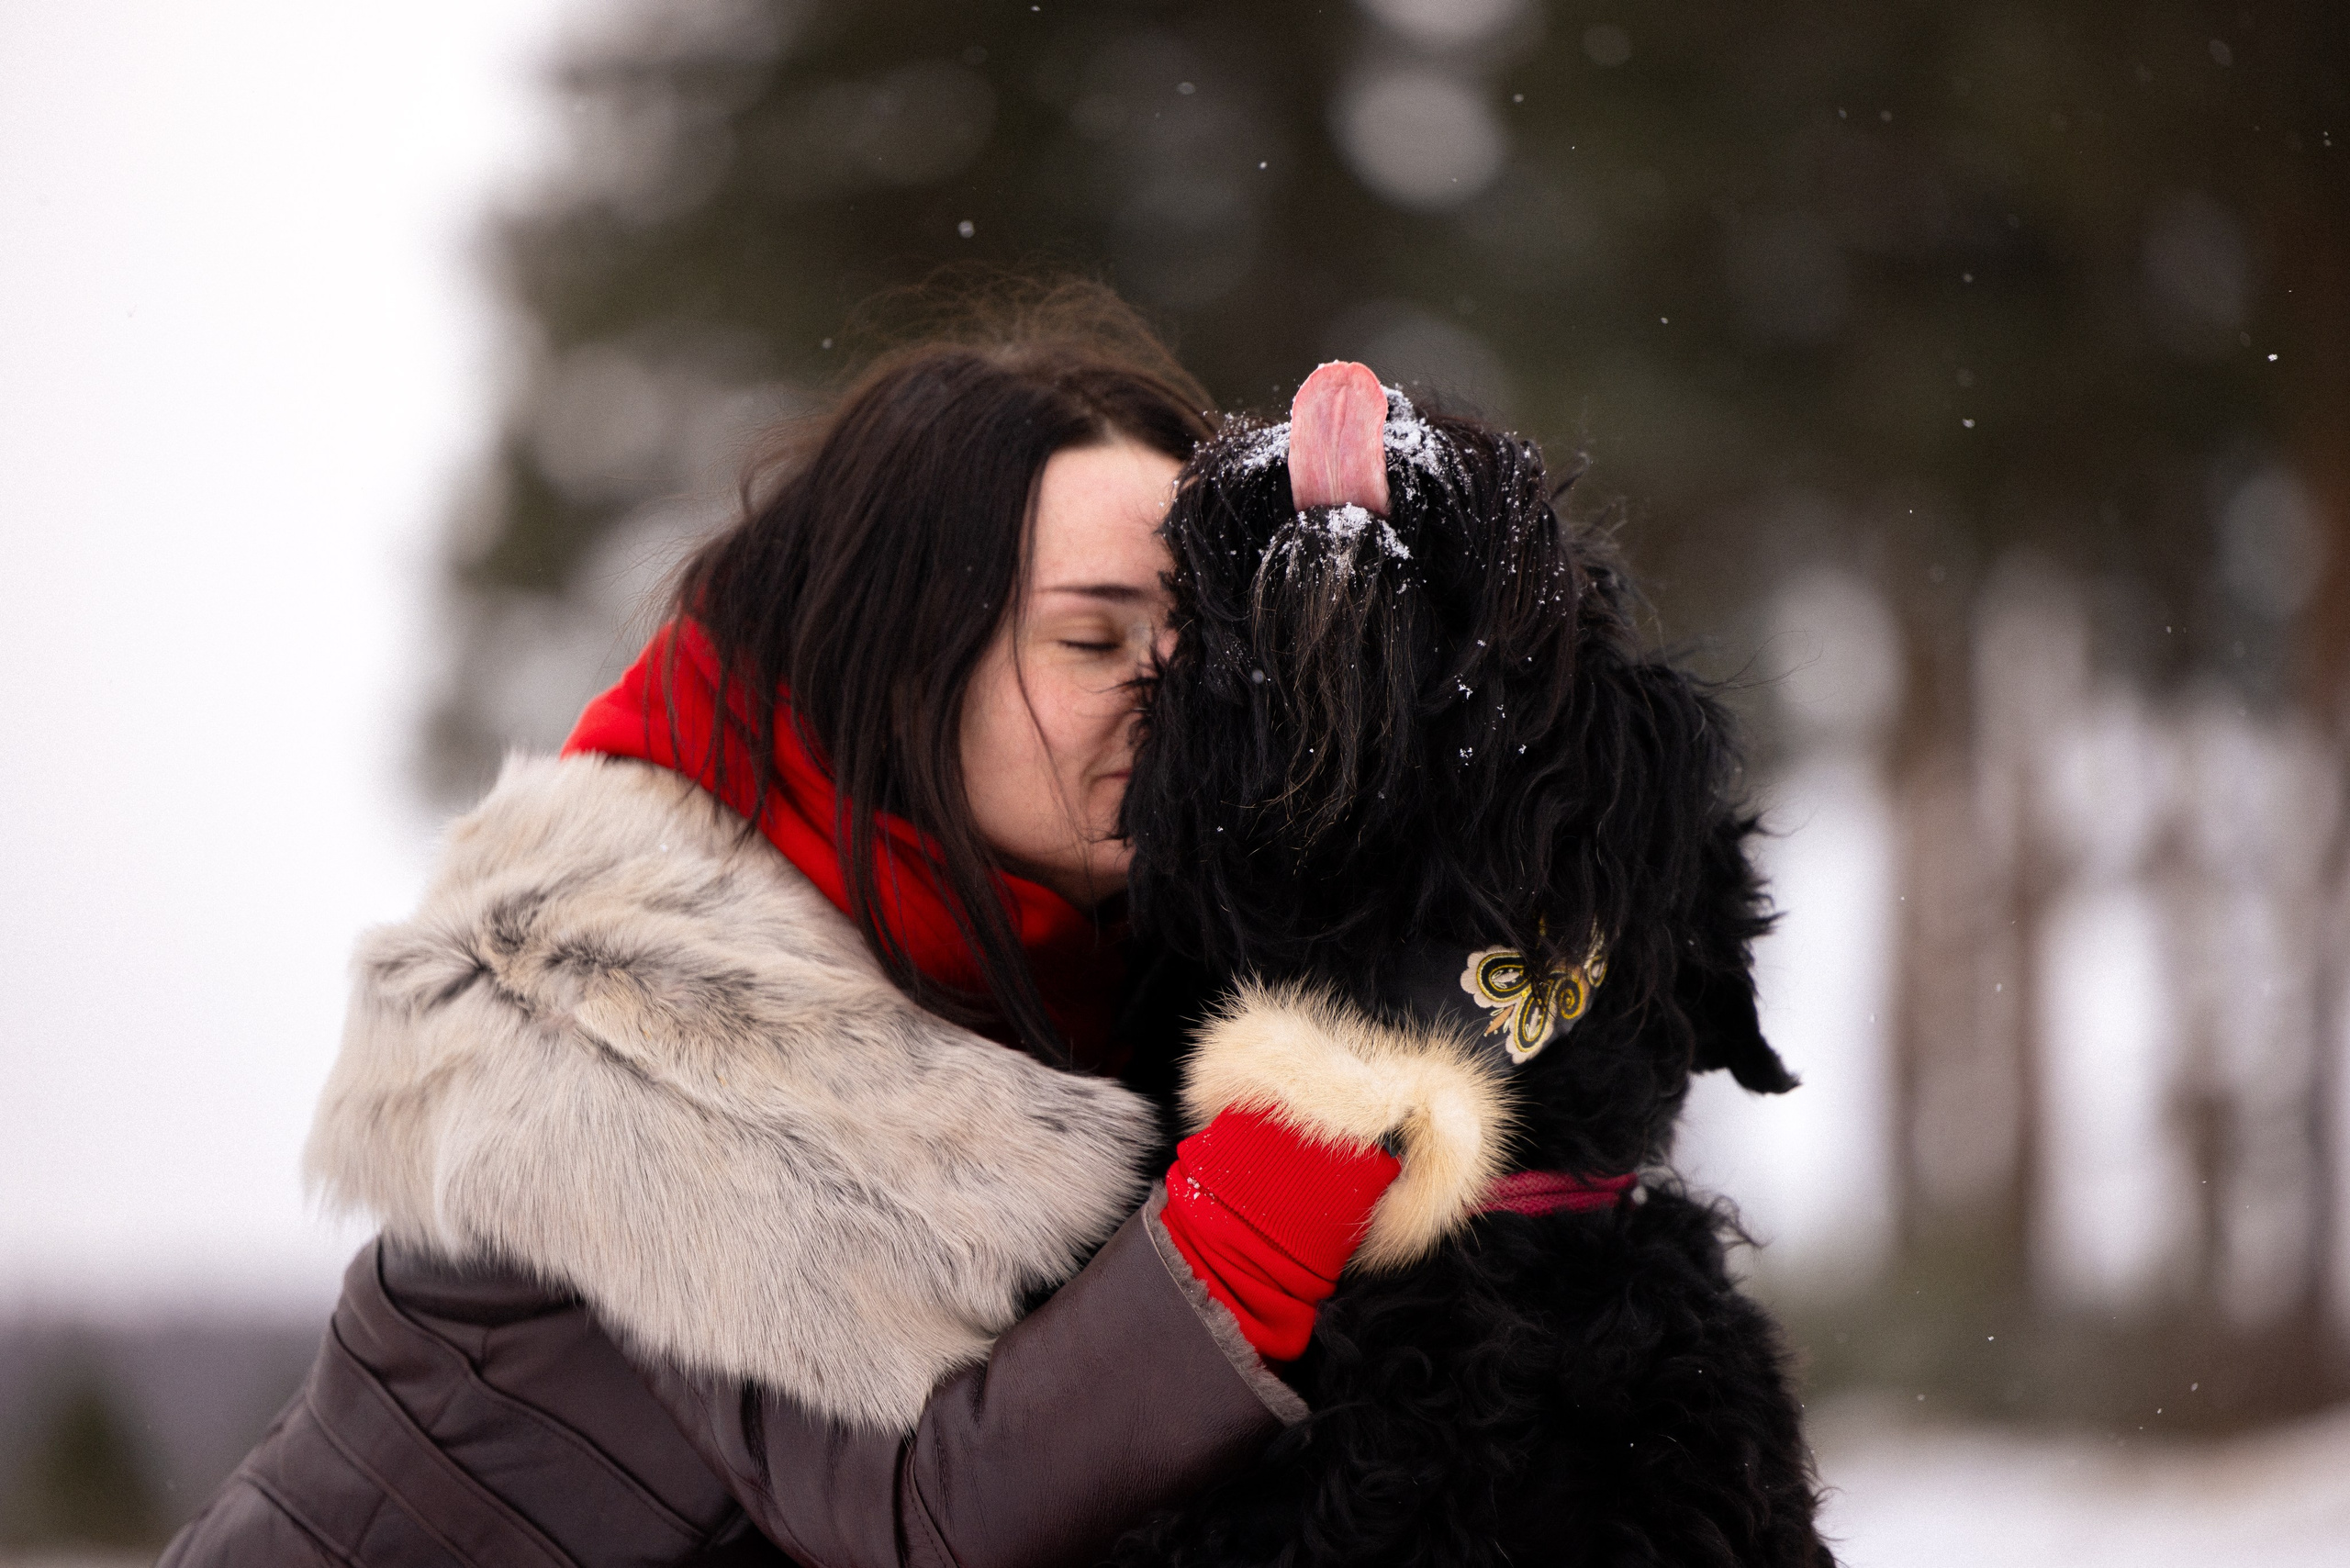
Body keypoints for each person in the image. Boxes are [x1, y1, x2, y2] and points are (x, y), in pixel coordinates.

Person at [158, 290, 1503, 1568]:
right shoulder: (627, 1010)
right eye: (1095, 643)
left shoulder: (1071, 966)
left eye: (1196, 644)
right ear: (909, 658)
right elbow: (925, 1519)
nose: (1169, 695)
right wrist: (1285, 1167)